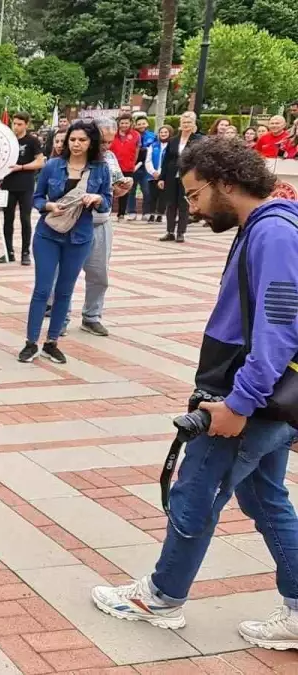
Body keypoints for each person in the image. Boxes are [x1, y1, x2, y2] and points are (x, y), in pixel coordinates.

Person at [91, 137, 298, 649]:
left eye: (195, 194)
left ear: (227, 182)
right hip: (267, 399)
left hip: (249, 401)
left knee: (195, 493)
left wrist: (238, 405)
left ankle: (161, 598)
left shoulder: (273, 232)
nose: (193, 207)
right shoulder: (271, 226)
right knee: (263, 495)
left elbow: (278, 327)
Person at [18, 120, 112, 365]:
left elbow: (108, 202)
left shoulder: (100, 169)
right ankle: (30, 342)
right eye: (72, 139)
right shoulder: (53, 165)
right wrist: (48, 205)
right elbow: (37, 198)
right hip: (48, 233)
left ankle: (52, 343)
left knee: (65, 292)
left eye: (82, 140)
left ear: (91, 142)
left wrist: (97, 198)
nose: (76, 144)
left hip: (80, 237)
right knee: (42, 289)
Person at [0, 112, 45, 265]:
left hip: (25, 184)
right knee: (7, 219)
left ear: (26, 124)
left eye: (20, 124)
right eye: (15, 123)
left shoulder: (32, 141)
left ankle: (25, 252)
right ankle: (8, 251)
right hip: (8, 184)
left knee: (25, 219)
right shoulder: (7, 139)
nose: (16, 127)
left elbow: (40, 162)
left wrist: (22, 167)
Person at [159, 111, 203, 242]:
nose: (186, 125)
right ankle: (170, 231)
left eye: (189, 122)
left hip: (188, 176)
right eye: (184, 122)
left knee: (183, 204)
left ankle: (181, 232)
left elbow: (199, 159)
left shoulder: (198, 140)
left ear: (194, 124)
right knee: (171, 204)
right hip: (172, 175)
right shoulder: (173, 140)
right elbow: (166, 160)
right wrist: (162, 178)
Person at [126, 115, 157, 222]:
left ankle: (146, 212)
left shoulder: (153, 136)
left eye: (143, 123)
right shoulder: (131, 135)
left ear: (147, 124)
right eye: (139, 124)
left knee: (147, 190)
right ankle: (131, 212)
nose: (141, 126)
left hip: (146, 167)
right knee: (131, 190)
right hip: (132, 167)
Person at [110, 113, 140, 220]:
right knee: (110, 188)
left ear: (130, 123)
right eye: (122, 123)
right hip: (113, 166)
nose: (124, 125)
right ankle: (107, 211)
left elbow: (137, 151)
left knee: (124, 190)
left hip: (127, 167)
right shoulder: (113, 134)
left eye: (126, 123)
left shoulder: (136, 135)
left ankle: (121, 213)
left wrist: (133, 163)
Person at [141, 125, 172, 225]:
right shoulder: (153, 146)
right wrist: (153, 172)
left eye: (165, 132)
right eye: (161, 132)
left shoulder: (171, 146)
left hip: (165, 176)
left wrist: (161, 173)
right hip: (152, 175)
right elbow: (148, 160)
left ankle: (160, 215)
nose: (163, 134)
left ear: (170, 134)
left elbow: (169, 161)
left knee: (163, 196)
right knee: (152, 195)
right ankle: (151, 214)